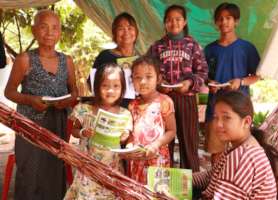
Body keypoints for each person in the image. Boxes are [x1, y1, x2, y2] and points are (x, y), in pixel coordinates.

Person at [4, 10, 77, 200]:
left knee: (54, 172)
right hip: (30, 127)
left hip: (57, 126)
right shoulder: (24, 59)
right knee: (30, 174)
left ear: (60, 31)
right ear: (34, 30)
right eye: (44, 26)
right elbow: (9, 92)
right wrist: (30, 100)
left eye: (55, 27)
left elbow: (75, 92)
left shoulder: (67, 61)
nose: (49, 32)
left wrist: (67, 101)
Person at [147, 4, 208, 171]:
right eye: (169, 20)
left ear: (185, 22)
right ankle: (162, 187)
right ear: (165, 23)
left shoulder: (192, 45)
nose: (173, 23)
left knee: (189, 143)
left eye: (178, 19)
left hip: (186, 99)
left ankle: (192, 188)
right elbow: (147, 70)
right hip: (163, 102)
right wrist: (158, 86)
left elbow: (203, 72)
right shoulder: (157, 46)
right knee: (162, 144)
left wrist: (189, 84)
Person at [193, 91, 278, 199]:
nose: (218, 124)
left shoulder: (242, 158)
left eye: (226, 118)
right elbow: (210, 176)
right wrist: (179, 179)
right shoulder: (238, 148)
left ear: (246, 122)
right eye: (216, 117)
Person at [64, 64, 133, 200]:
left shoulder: (125, 113)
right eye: (105, 86)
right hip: (87, 169)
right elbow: (74, 131)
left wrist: (125, 137)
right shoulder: (84, 109)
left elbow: (125, 138)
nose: (110, 91)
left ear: (122, 88)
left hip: (112, 170)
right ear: (97, 87)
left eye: (116, 86)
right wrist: (83, 132)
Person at [123, 56, 176, 184]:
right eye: (138, 77)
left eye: (148, 76)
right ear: (132, 81)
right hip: (137, 161)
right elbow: (131, 134)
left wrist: (156, 145)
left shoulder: (165, 101)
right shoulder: (132, 105)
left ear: (158, 79)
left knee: (156, 194)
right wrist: (129, 147)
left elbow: (172, 131)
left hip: (158, 160)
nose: (143, 82)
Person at [205, 2, 260, 122]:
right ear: (216, 23)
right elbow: (204, 77)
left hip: (239, 108)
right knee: (214, 140)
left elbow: (258, 76)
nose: (224, 22)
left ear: (236, 21)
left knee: (240, 141)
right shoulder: (209, 49)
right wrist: (209, 83)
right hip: (215, 108)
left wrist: (240, 82)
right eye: (220, 19)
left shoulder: (247, 48)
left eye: (228, 18)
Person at [92, 12, 139, 108]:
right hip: (110, 109)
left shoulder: (141, 59)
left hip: (135, 110)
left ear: (136, 32)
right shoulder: (104, 56)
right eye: (121, 29)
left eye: (130, 28)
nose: (126, 32)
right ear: (114, 33)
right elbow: (91, 83)